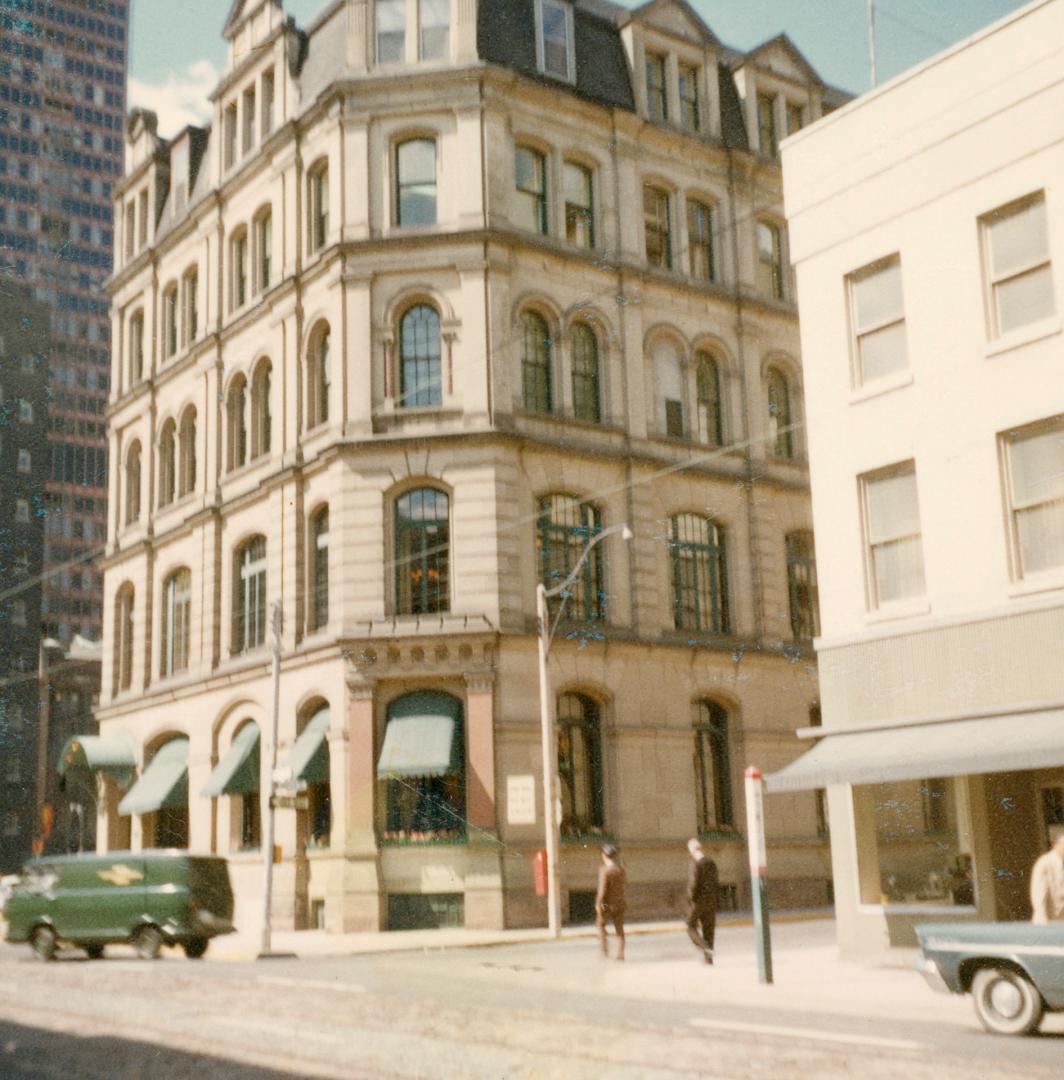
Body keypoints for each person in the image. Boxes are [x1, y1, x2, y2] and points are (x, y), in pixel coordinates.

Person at [685, 838, 718, 964]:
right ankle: (708, 960)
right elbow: (716, 882)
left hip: (698, 902)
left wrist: (690, 898)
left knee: (690, 926)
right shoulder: (711, 862)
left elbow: (693, 884)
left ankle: (705, 948)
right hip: (711, 900)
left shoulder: (695, 863)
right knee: (709, 929)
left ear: (692, 851)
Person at [595, 843, 626, 961]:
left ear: (604, 855)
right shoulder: (621, 870)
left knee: (601, 925)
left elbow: (602, 890)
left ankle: (604, 951)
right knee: (619, 929)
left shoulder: (604, 870)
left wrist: (598, 903)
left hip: (606, 904)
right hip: (619, 902)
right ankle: (621, 953)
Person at [1030, 833, 1064, 923]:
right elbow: (1039, 894)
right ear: (1056, 845)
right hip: (1050, 920)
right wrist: (1042, 918)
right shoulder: (1045, 863)